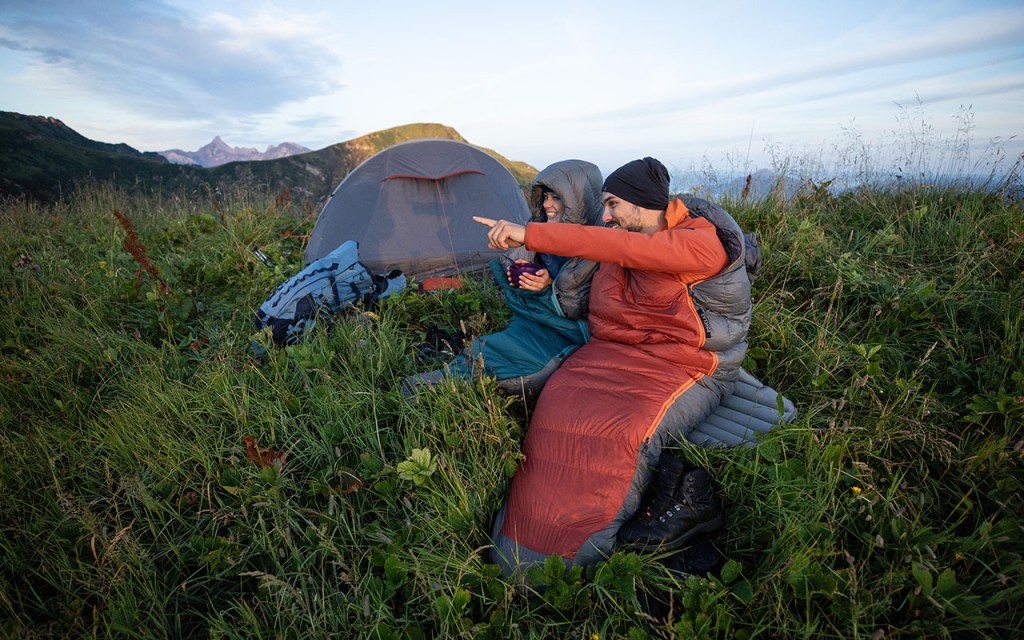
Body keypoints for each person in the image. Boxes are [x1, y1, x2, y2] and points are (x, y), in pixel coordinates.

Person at [474, 157, 753, 575]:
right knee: (556, 407)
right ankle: (522, 544)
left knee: (618, 434)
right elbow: (583, 298)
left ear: (642, 204)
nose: (605, 216)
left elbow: (630, 250)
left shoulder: (698, 241)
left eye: (613, 205)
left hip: (683, 365)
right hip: (609, 354)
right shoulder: (623, 233)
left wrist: (531, 232)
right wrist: (543, 279)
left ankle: (564, 558)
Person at [401, 159, 604, 399]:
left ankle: (445, 386)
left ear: (578, 202)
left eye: (557, 198)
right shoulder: (539, 230)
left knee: (524, 366)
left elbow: (591, 309)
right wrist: (518, 259)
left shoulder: (601, 247)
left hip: (567, 333)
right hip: (533, 320)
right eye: (545, 197)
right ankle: (447, 378)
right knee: (490, 347)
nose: (548, 205)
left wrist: (548, 287)